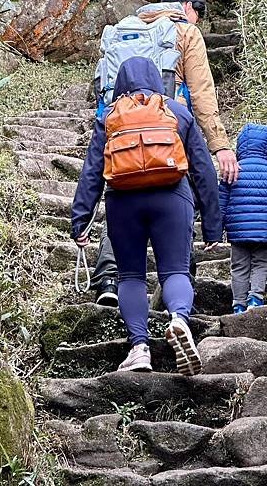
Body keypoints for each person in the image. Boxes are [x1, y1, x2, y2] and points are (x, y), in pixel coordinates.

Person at [71, 57, 222, 374]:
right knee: (175, 271)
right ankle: (179, 319)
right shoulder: (177, 112)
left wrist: (81, 221)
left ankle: (140, 348)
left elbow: (91, 174)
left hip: (123, 201)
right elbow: (204, 170)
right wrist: (211, 224)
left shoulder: (110, 117)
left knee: (130, 277)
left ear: (121, 82)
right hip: (172, 197)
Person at [91, 0, 238, 305]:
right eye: (196, 12)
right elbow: (201, 93)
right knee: (177, 196)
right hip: (170, 129)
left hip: (123, 129)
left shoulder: (126, 30)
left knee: (121, 188)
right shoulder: (185, 33)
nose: (196, 19)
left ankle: (108, 277)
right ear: (186, 7)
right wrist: (220, 145)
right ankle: (180, 282)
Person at [219, 123, 267, 314]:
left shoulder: (232, 171)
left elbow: (220, 204)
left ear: (240, 147)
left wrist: (214, 231)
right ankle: (255, 299)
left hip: (238, 232)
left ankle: (238, 304)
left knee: (238, 266)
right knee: (260, 265)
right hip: (265, 232)